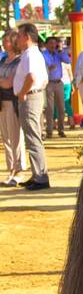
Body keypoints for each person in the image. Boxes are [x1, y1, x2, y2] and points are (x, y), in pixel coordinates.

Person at [13, 22, 50, 189]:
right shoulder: (32, 54)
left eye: (19, 36)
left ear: (27, 37)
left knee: (33, 137)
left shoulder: (30, 55)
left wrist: (22, 93)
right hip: (33, 96)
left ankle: (41, 177)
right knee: (33, 137)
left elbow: (32, 77)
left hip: (30, 97)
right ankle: (38, 174)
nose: (17, 39)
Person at [0, 28, 26, 186]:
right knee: (6, 138)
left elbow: (9, 83)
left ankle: (19, 169)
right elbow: (5, 81)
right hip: (1, 101)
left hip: (12, 101)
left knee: (16, 137)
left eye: (7, 40)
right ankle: (11, 169)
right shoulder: (3, 61)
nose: (4, 43)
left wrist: (4, 81)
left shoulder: (19, 61)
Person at [43, 35, 70, 138]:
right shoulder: (43, 54)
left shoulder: (59, 54)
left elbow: (68, 61)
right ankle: (49, 131)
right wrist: (49, 67)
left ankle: (61, 130)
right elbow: (46, 65)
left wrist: (60, 51)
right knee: (50, 109)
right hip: (48, 83)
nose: (52, 45)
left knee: (61, 108)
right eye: (50, 43)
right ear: (46, 45)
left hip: (59, 82)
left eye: (54, 43)